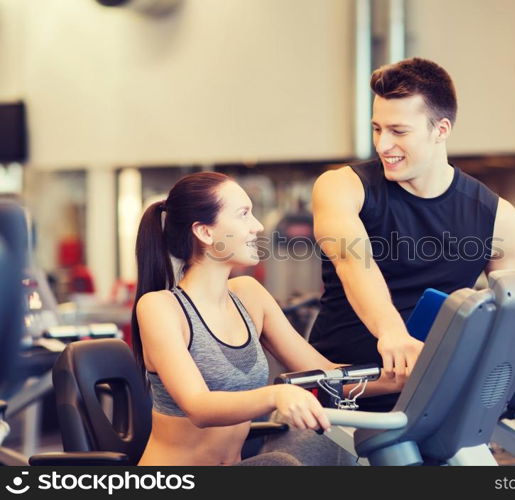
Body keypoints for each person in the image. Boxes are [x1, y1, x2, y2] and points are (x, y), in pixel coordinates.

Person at [131, 172, 401, 466]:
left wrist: (404, 377)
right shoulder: (161, 308)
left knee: (326, 440)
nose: (257, 227)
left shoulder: (249, 295)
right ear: (205, 232)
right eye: (244, 214)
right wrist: (277, 395)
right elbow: (199, 406)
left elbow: (324, 374)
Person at [309, 57, 515, 412]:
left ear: (440, 130)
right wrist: (391, 332)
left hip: (435, 396)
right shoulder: (342, 187)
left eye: (399, 131)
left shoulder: (497, 217)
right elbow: (353, 263)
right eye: (377, 129)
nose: (382, 145)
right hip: (344, 392)